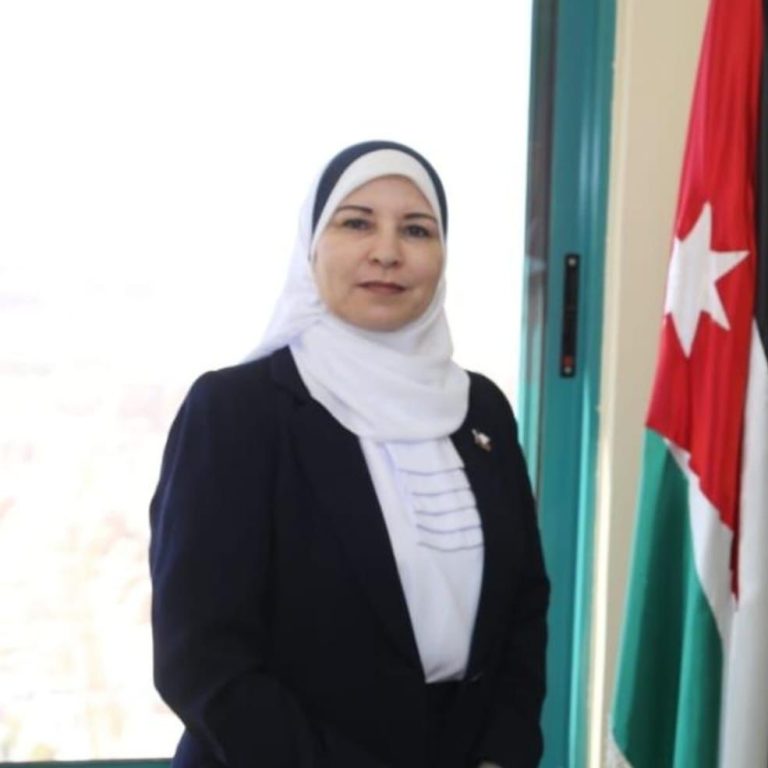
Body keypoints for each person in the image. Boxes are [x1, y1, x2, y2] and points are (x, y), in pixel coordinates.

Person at [149, 140, 549, 768]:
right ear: (311, 248)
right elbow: (201, 658)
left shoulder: (482, 410)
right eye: (357, 223)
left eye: (416, 229)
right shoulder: (237, 411)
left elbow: (523, 607)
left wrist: (501, 755)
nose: (387, 251)